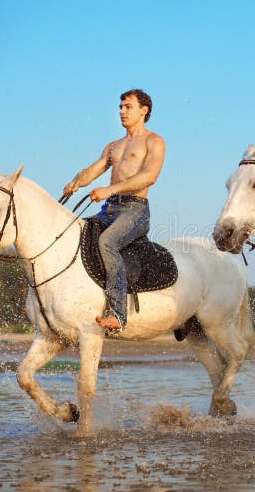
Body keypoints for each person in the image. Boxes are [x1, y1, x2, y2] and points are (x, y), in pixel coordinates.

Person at [63, 89, 166, 333]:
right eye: (120, 107)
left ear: (144, 110)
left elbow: (149, 176)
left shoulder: (154, 141)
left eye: (127, 106)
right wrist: (77, 182)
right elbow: (93, 170)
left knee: (107, 242)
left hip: (135, 211)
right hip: (109, 209)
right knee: (76, 234)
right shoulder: (114, 146)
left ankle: (118, 315)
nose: (121, 111)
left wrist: (110, 190)